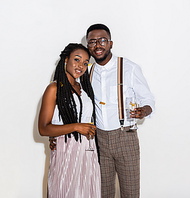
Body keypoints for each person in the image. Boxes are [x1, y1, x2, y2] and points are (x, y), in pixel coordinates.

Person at [50, 24, 155, 198]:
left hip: (125, 137)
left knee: (130, 191)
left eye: (102, 40)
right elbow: (72, 106)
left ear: (111, 43)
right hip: (97, 141)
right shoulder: (85, 72)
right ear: (88, 46)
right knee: (101, 192)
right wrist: (55, 134)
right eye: (92, 42)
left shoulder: (129, 68)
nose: (98, 45)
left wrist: (144, 110)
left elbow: (148, 100)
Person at [38, 43, 101, 197]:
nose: (81, 66)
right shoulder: (54, 89)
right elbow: (43, 128)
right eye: (77, 60)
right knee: (63, 190)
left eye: (85, 63)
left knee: (87, 191)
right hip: (66, 151)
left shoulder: (84, 88)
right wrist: (76, 127)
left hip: (88, 151)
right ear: (66, 60)